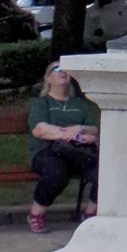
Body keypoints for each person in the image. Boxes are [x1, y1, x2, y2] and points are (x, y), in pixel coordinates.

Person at [27, 61, 100, 233]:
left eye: (66, 70)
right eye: (57, 69)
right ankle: (36, 214)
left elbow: (93, 129)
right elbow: (40, 129)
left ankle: (90, 214)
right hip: (48, 151)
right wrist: (71, 134)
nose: (63, 72)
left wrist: (80, 129)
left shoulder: (81, 104)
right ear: (48, 78)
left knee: (105, 172)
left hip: (78, 152)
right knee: (56, 172)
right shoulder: (41, 103)